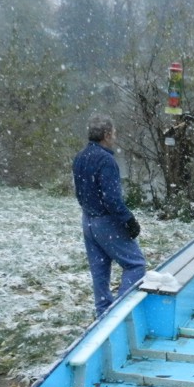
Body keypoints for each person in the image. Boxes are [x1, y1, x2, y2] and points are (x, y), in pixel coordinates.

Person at [73, 114, 147, 317]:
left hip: (87, 220)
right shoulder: (106, 160)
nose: (115, 136)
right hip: (106, 221)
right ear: (106, 134)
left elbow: (79, 192)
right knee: (136, 264)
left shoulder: (80, 157)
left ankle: (102, 313)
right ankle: (119, 313)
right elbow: (112, 199)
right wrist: (129, 220)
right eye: (113, 132)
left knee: (100, 271)